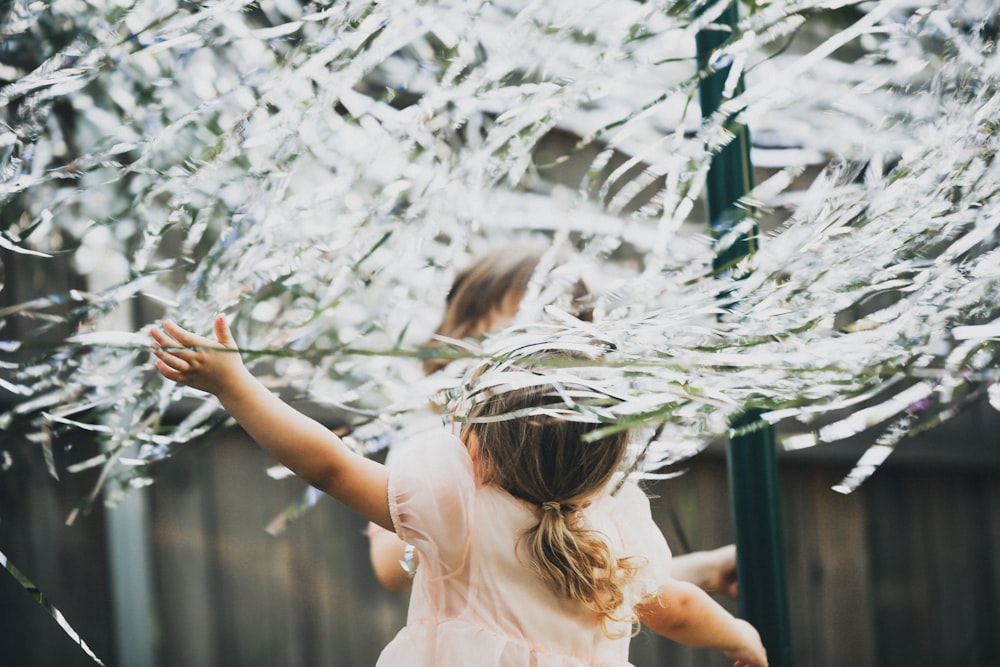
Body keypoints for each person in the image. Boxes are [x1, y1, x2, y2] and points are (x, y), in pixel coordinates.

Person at [150, 315, 767, 667]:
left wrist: (234, 384)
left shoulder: (458, 509)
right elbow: (678, 610)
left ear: (474, 442)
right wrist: (743, 638)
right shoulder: (613, 535)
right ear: (606, 468)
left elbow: (330, 467)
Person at [370, 244, 739, 598]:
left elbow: (609, 578)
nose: (538, 357)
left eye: (560, 334)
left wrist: (706, 569)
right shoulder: (433, 442)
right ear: (464, 341)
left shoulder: (573, 456)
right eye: (520, 334)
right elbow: (389, 564)